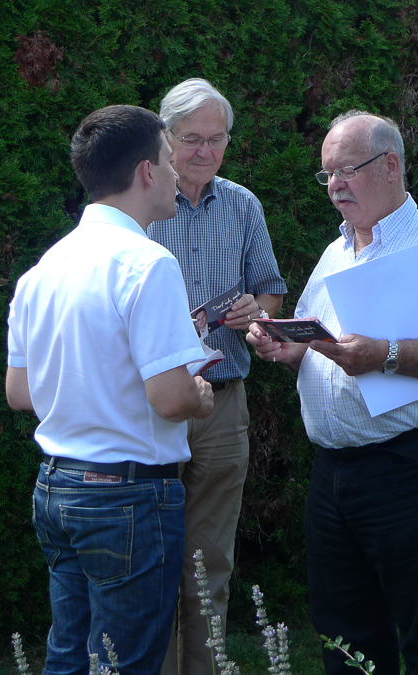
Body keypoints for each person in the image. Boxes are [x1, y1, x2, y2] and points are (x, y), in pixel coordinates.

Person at [247, 110, 418, 675]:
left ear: (390, 166)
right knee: (344, 634)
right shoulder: (336, 252)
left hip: (408, 467)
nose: (334, 185)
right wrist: (290, 349)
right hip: (334, 474)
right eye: (327, 175)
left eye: (346, 170)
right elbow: (325, 344)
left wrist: (386, 353)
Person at [5, 104, 215, 675]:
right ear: (147, 171)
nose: (178, 174)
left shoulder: (42, 270)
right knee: (123, 667)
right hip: (128, 498)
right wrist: (199, 391)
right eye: (171, 160)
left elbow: (20, 392)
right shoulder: (147, 264)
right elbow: (171, 399)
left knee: (69, 657)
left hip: (56, 488)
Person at [146, 78, 287, 675]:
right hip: (153, 402)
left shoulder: (242, 203)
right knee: (151, 558)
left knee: (209, 563)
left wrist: (257, 312)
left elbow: (272, 290)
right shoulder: (140, 204)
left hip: (224, 401)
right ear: (165, 139)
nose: (205, 151)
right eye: (191, 139)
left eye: (217, 138)